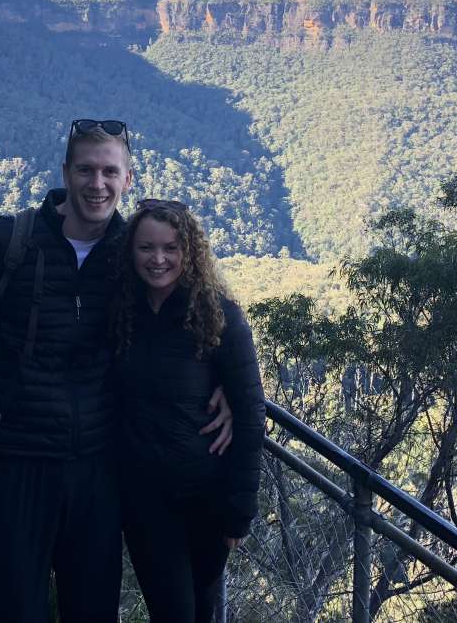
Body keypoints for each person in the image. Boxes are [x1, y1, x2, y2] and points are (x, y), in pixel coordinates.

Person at [0, 120, 234, 623]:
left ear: (127, 180)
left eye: (109, 172)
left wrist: (227, 384)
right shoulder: (5, 241)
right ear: (65, 172)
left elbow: (201, 309)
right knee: (15, 610)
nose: (96, 184)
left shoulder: (135, 253)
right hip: (13, 462)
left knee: (94, 611)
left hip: (97, 469)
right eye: (85, 169)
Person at [112, 199, 266, 623]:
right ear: (130, 251)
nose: (158, 259)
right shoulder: (120, 311)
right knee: (174, 610)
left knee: (199, 606)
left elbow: (252, 413)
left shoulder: (219, 316)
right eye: (146, 248)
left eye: (171, 248)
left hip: (206, 498)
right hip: (143, 498)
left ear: (189, 252)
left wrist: (239, 511)